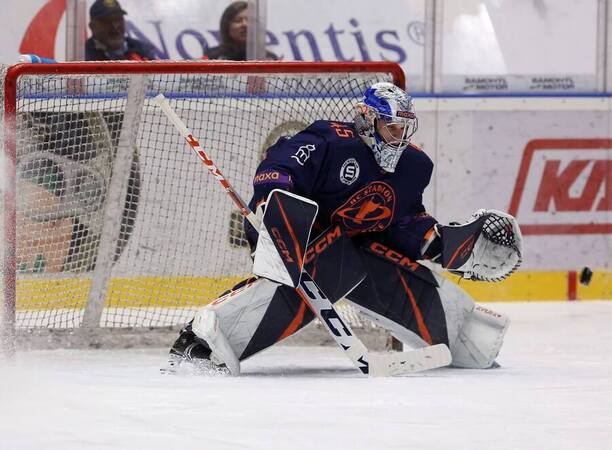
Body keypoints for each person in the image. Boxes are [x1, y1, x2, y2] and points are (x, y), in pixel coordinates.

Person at [167, 82, 520, 374]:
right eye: (389, 127)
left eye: (402, 129)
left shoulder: (413, 165)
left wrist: (438, 243)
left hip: (350, 245)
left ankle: (461, 335)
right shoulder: (329, 141)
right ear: (367, 120)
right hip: (286, 233)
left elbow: (401, 220)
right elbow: (276, 169)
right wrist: (274, 208)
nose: (397, 137)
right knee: (333, 266)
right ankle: (203, 342)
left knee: (374, 269)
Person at [203, 1, 278, 61]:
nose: (245, 24)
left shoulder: (269, 59)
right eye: (238, 20)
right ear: (226, 26)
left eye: (250, 20)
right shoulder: (212, 58)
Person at [85, 0, 156, 61]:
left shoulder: (142, 49)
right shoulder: (82, 56)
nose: (115, 26)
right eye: (107, 21)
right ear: (93, 27)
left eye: (118, 19)